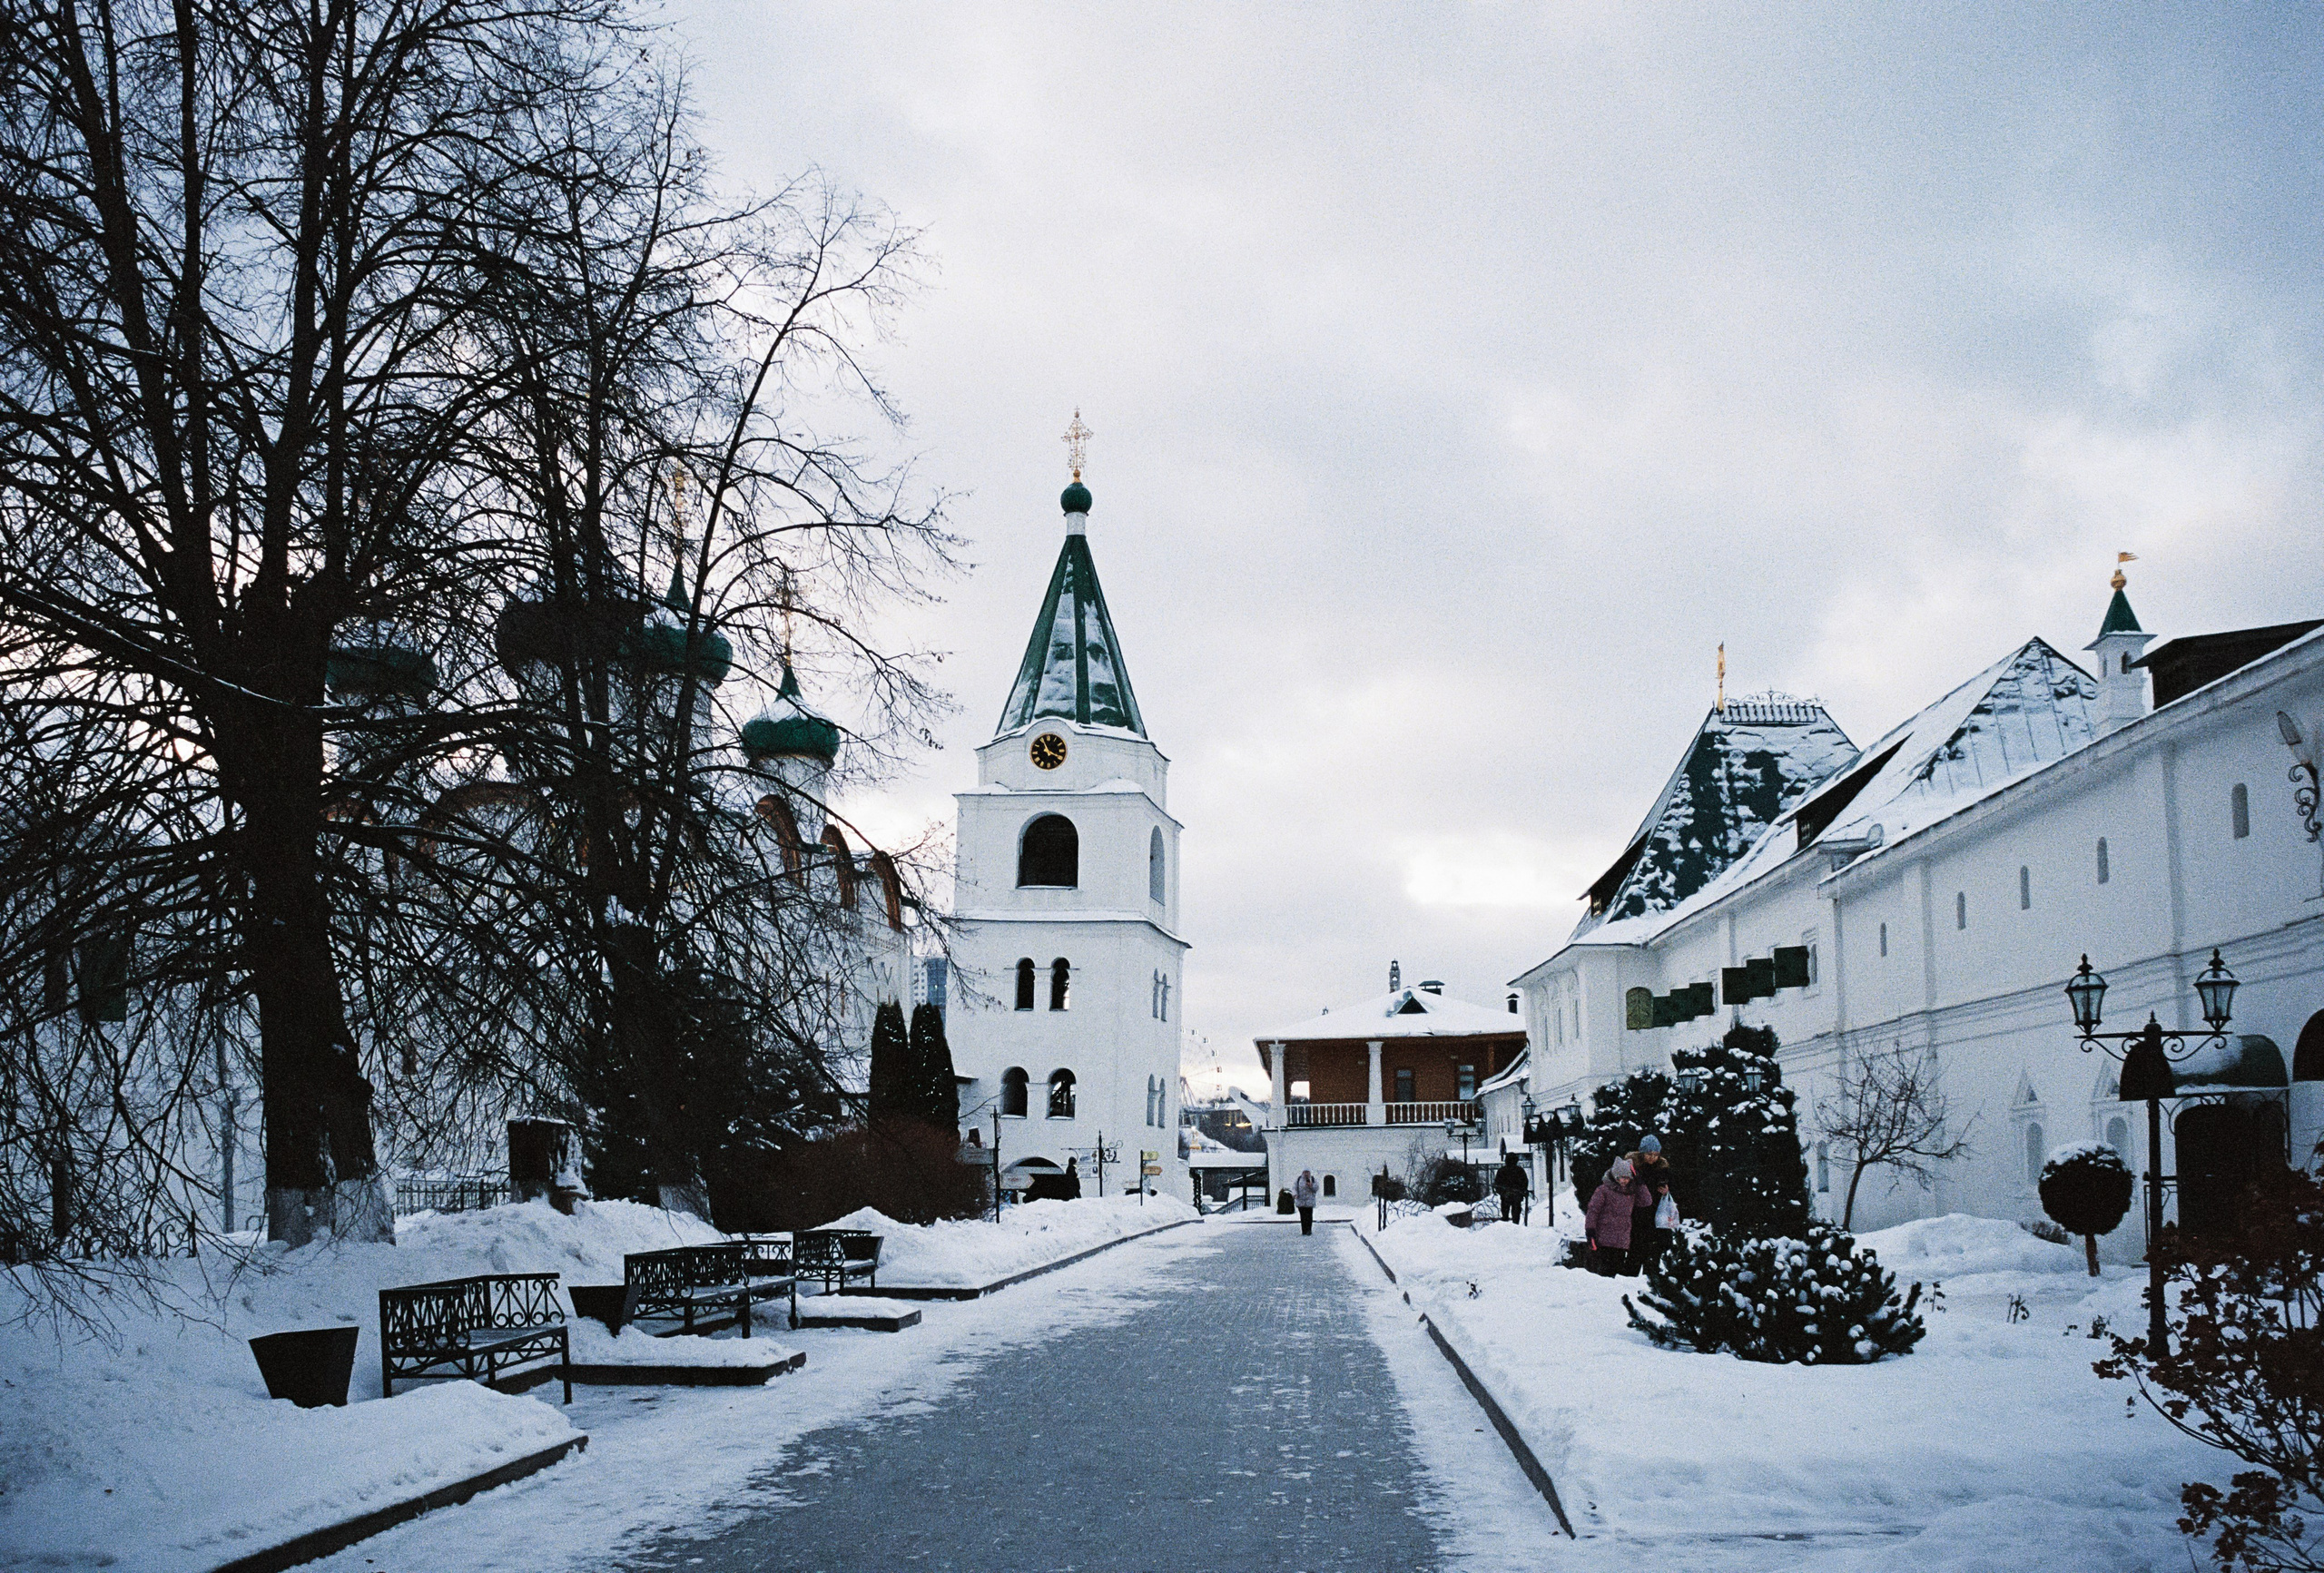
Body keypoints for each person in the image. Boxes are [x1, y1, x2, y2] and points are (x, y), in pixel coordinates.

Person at [1627, 1136, 1674, 1273]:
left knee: (1654, 1254)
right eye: (1649, 1154)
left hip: (1657, 1216)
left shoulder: (1663, 1168)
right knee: (1635, 1253)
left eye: (1656, 1155)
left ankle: (1652, 1283)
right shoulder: (1632, 1167)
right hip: (1637, 1215)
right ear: (1642, 1153)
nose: (1653, 1158)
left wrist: (1667, 1191)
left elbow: (1675, 1188)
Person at [1584, 1157, 1639, 1275]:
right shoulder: (1603, 1190)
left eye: (1627, 1178)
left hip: (1622, 1240)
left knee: (1617, 1274)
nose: (1624, 1181)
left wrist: (1640, 1182)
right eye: (1621, 1177)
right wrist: (1590, 1231)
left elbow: (1646, 1201)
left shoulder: (1631, 1192)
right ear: (1615, 1176)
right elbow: (1593, 1211)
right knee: (1605, 1273)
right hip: (1604, 1239)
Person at [1492, 1152, 1531, 1225]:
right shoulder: (1520, 1170)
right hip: (1516, 1196)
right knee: (1516, 1215)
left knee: (1505, 1215)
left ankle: (1506, 1229)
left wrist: (1502, 1192)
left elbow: (1497, 1184)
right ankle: (1515, 1228)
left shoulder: (1502, 1170)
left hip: (1506, 1196)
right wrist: (1522, 1192)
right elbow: (1525, 1182)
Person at [1292, 1168, 1320, 1234]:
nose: (1306, 1174)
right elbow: (1294, 1187)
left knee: (1309, 1216)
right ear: (1303, 1173)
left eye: (1307, 1172)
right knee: (1303, 1216)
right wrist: (1295, 1194)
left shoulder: (1312, 1179)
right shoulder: (1299, 1179)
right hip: (1301, 1201)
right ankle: (1304, 1230)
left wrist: (1311, 1185)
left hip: (1309, 1201)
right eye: (1305, 1172)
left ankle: (1309, 1230)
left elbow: (1316, 1188)